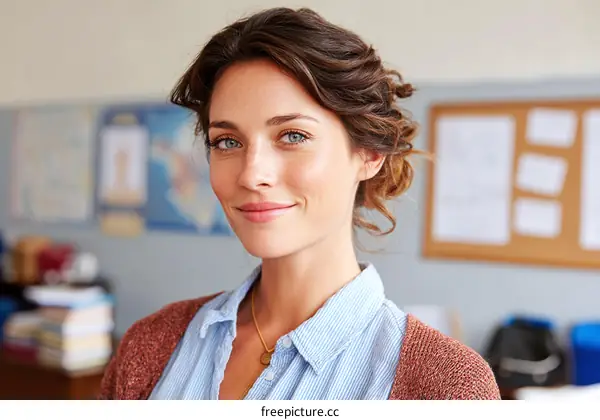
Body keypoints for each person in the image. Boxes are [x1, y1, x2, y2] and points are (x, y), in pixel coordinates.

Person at [99, 7, 500, 400]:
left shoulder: (446, 386)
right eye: (228, 141)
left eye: (292, 136)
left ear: (369, 153)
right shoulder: (150, 344)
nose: (252, 173)